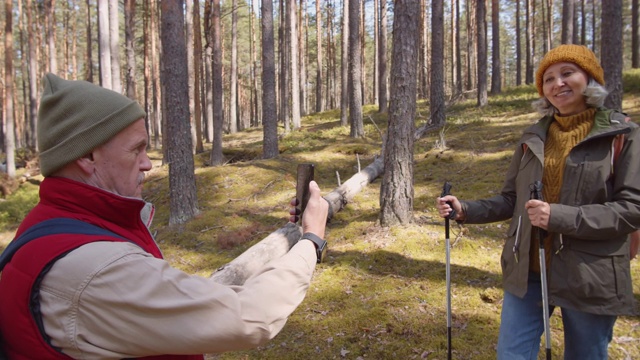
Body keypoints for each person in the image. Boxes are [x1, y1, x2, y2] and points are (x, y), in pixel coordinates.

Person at [0, 73, 329, 359]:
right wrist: (311, 240)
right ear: (87, 155)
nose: (147, 163)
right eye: (136, 149)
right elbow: (249, 318)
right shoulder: (95, 267)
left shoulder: (46, 225)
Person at [436, 44, 639, 359]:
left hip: (589, 274)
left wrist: (557, 216)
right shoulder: (533, 137)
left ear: (590, 79)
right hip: (527, 268)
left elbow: (631, 209)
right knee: (512, 354)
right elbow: (511, 200)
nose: (558, 83)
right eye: (549, 79)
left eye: (568, 73)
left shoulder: (622, 134)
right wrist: (465, 210)